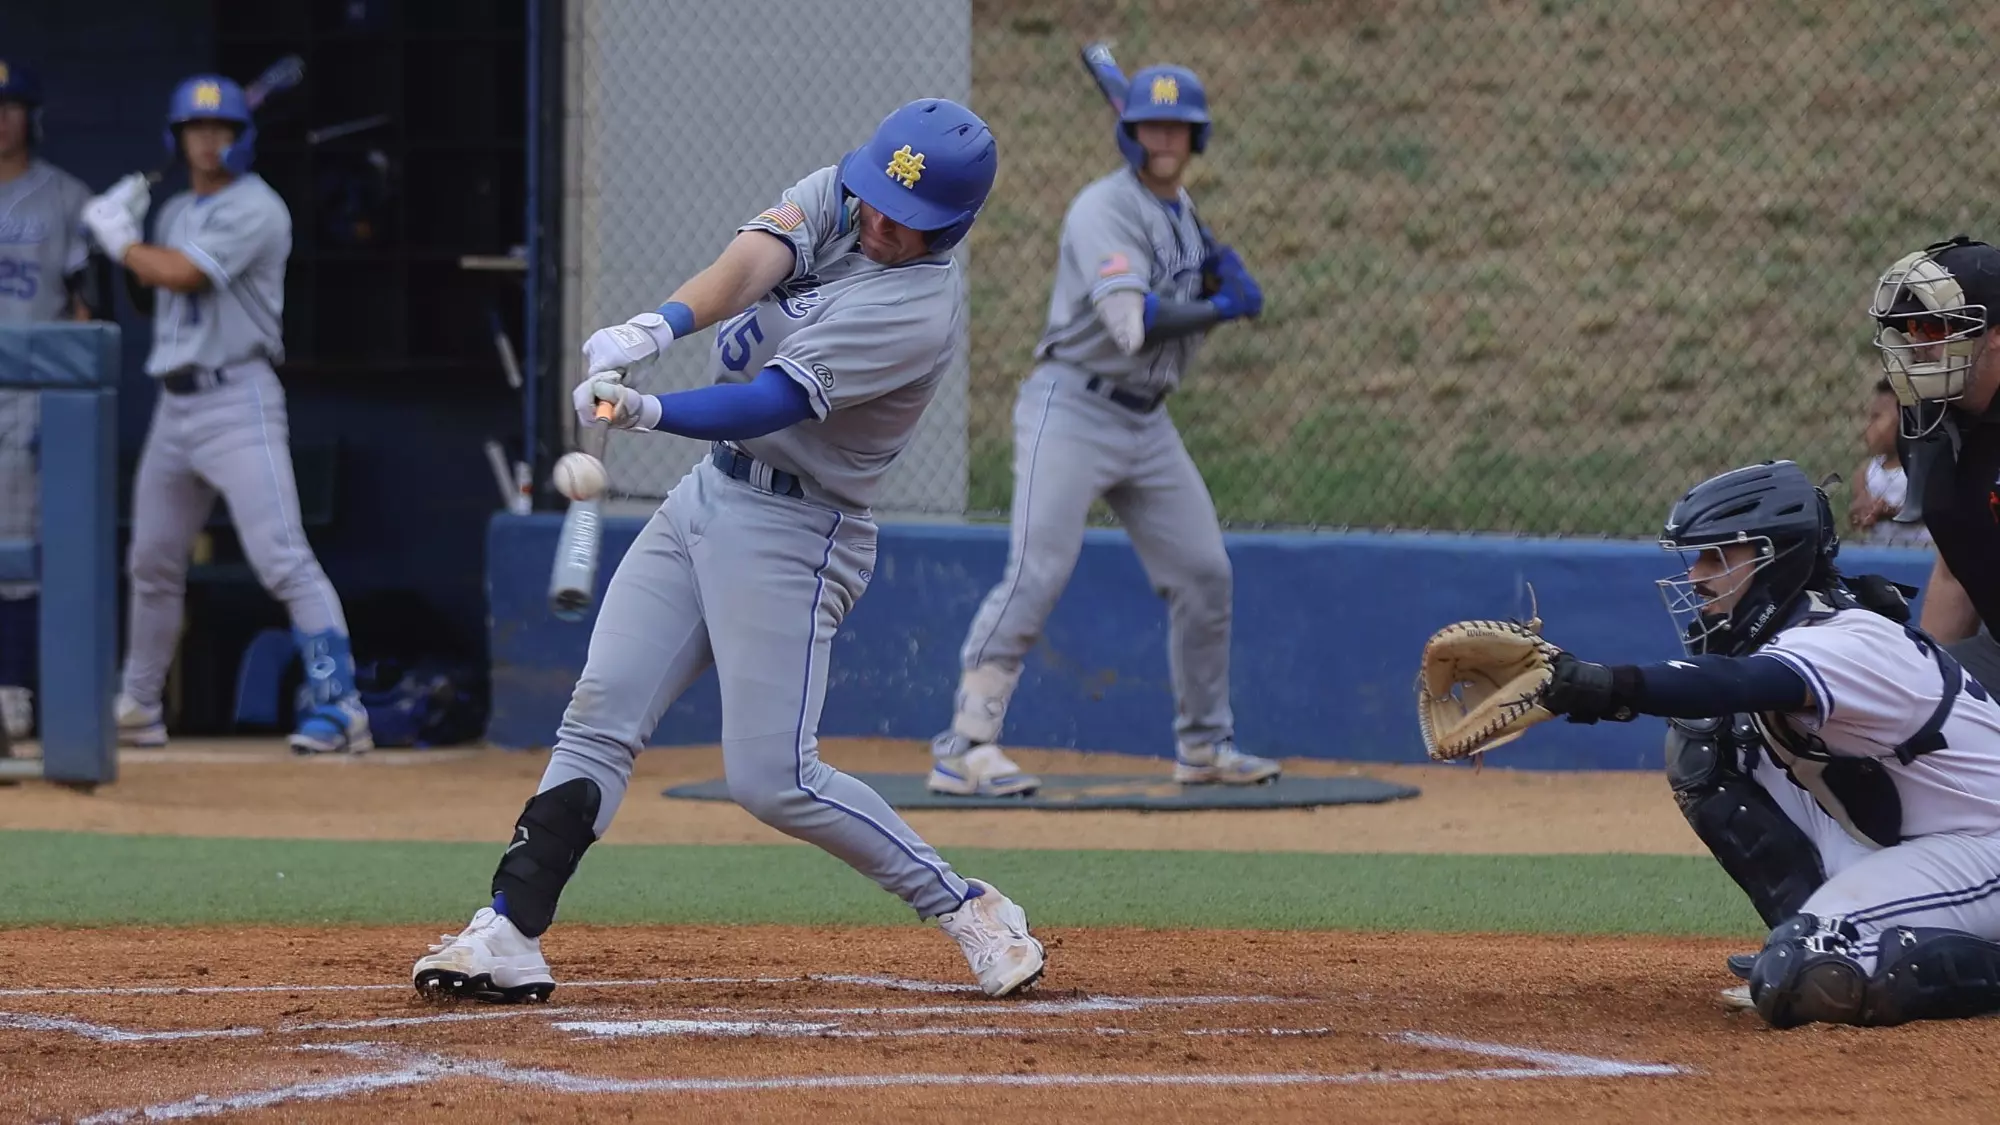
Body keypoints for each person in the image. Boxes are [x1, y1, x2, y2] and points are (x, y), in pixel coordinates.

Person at [411, 98, 1045, 1003]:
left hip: (800, 531)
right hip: (709, 495)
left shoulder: (916, 309)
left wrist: (647, 410)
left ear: (951, 227)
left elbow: (773, 402)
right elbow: (753, 263)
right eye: (874, 201)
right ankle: (509, 928)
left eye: (906, 222)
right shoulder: (850, 191)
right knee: (599, 714)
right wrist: (659, 326)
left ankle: (969, 905)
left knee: (774, 778)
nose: (878, 223)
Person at [1537, 459, 2000, 1029]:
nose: (1696, 576)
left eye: (1718, 556)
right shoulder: (1804, 630)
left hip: (1987, 848)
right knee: (1713, 738)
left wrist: (1608, 686)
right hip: (1929, 844)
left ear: (1773, 560)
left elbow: (1733, 682)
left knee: (1802, 972)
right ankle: (1813, 926)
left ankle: (1830, 940)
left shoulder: (1847, 640)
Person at [925, 63, 1276, 798]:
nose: (1165, 137)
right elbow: (1130, 324)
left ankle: (1204, 745)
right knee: (1037, 570)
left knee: (1205, 572)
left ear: (1195, 136)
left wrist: (1211, 274)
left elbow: (1168, 293)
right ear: (1131, 132)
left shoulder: (1180, 211)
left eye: (1177, 127)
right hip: (1073, 406)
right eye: (1152, 125)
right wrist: (1222, 308)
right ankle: (966, 742)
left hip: (1146, 420)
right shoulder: (1100, 210)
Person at [78, 75, 371, 754]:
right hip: (174, 405)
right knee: (151, 560)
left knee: (282, 559)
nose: (208, 141)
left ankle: (342, 705)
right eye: (195, 130)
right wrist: (127, 247)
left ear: (242, 137)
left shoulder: (258, 208)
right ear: (176, 137)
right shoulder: (175, 211)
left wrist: (120, 241)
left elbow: (185, 276)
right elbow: (156, 295)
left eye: (222, 130)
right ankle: (141, 705)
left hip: (238, 399)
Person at [0, 58, 109, 742]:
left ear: (31, 114)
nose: (0, 118)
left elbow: (85, 307)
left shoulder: (67, 197)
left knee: (17, 551)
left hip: (27, 398)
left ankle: (11, 690)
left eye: (10, 105)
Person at [1866, 236, 2000, 698]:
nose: (1918, 345)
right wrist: (1923, 692)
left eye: (1936, 328)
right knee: (1885, 711)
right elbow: (1957, 570)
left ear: (1997, 335)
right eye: (1911, 329)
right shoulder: (1928, 426)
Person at [1847, 377, 1930, 548]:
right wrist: (1860, 512)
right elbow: (1857, 508)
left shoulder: (1926, 470)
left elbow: (1930, 514)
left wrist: (1889, 512)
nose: (1867, 426)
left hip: (1921, 560)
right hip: (1881, 561)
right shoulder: (1865, 474)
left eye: (1876, 417)